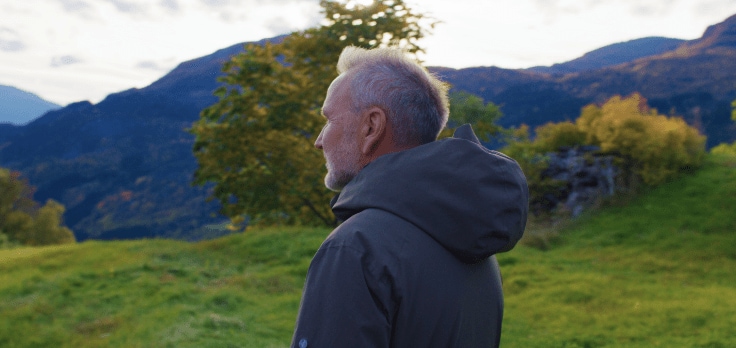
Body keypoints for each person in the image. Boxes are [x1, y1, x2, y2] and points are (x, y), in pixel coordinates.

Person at [291, 46, 529, 348]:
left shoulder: (356, 247)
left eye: (329, 121)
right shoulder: (471, 236)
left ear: (371, 127)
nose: (319, 141)